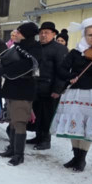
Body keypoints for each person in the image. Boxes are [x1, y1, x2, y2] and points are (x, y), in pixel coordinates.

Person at [52, 18, 92, 171]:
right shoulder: (76, 52)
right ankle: (75, 157)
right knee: (75, 125)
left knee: (88, 126)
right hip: (76, 92)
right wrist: (70, 77)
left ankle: (81, 159)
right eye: (90, 35)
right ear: (84, 35)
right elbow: (61, 70)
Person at [0, 22, 40, 166]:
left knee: (19, 122)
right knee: (13, 121)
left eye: (19, 32)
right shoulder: (18, 46)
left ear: (26, 34)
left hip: (24, 89)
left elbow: (25, 65)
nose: (16, 34)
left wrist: (4, 70)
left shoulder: (35, 48)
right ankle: (12, 149)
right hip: (11, 87)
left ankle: (19, 155)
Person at [28, 21, 68, 150]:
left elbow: (62, 71)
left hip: (50, 88)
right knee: (37, 113)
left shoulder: (59, 49)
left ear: (53, 34)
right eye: (41, 32)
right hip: (35, 86)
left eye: (46, 32)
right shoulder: (36, 46)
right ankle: (38, 136)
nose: (43, 35)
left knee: (47, 115)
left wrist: (58, 89)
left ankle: (46, 139)